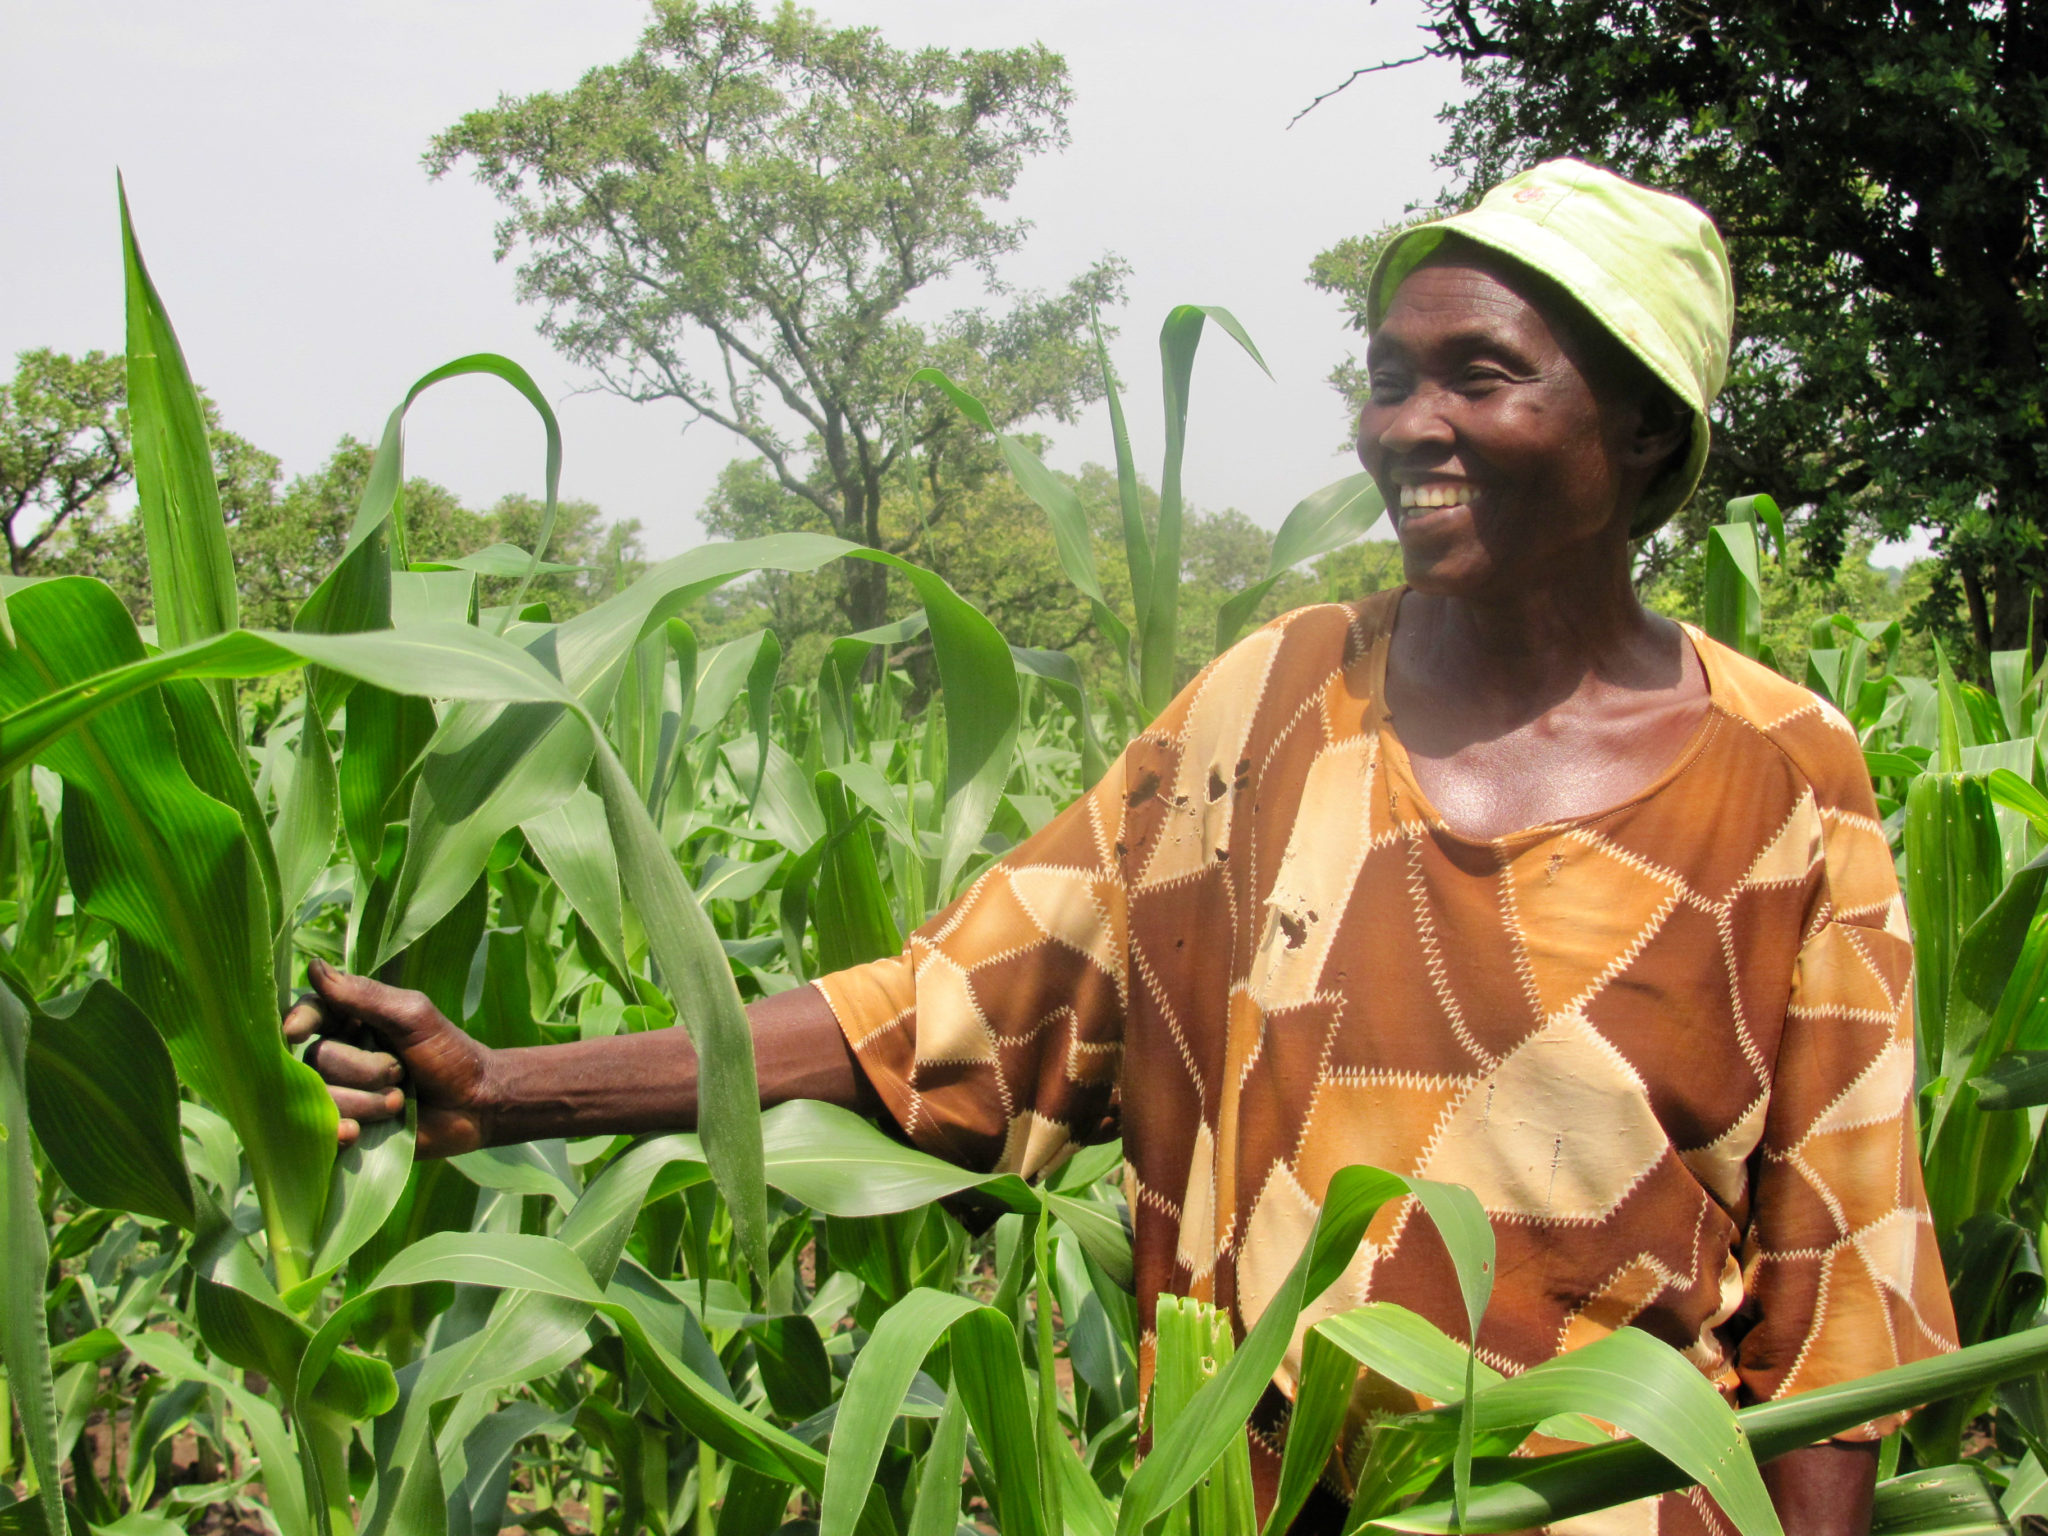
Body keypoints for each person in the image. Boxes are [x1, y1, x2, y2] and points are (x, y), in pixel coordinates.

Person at [289, 160, 1956, 1535]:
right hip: (1245, 1498)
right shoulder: (1276, 704)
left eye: (1481, 374)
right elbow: (955, 1009)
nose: (1405, 427)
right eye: (1388, 377)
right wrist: (511, 1089)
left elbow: (1842, 1283)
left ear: (1648, 432)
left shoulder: (1784, 780)